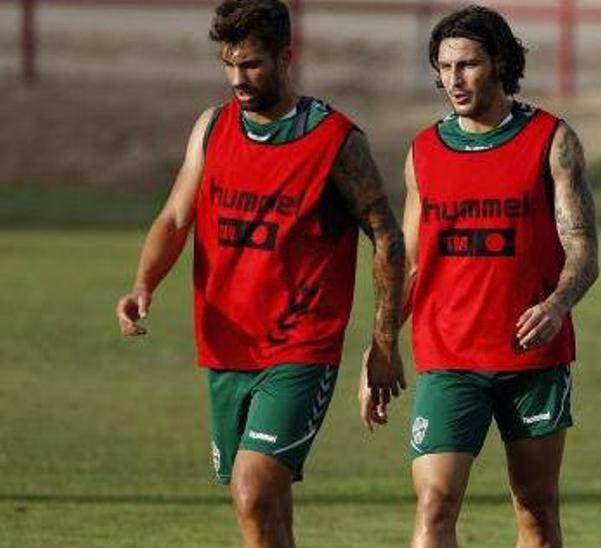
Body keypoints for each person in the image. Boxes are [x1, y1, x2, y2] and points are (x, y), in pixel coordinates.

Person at [113, 1, 406, 546]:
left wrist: (383, 341)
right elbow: (177, 217)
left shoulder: (336, 140)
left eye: (250, 65)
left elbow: (387, 237)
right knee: (266, 508)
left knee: (252, 491)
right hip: (227, 346)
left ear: (286, 56)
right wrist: (143, 285)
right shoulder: (213, 127)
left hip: (301, 345)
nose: (237, 79)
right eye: (228, 64)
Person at [372, 6, 598, 548]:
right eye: (445, 67)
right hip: (448, 357)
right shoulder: (423, 151)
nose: (454, 79)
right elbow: (412, 259)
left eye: (468, 65)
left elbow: (584, 251)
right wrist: (381, 342)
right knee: (434, 505)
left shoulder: (552, 139)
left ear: (499, 63)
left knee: (536, 511)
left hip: (532, 358)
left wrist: (557, 305)